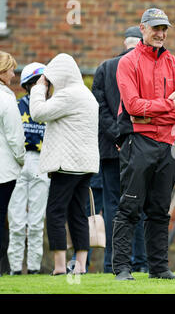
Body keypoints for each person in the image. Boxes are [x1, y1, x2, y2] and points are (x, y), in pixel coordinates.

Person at [112, 8, 175, 281]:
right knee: (130, 206)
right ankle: (122, 268)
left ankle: (159, 268)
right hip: (138, 141)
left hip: (167, 143)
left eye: (164, 29)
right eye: (156, 28)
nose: (161, 33)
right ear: (142, 28)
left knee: (159, 209)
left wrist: (153, 111)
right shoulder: (128, 62)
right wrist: (165, 105)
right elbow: (132, 106)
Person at [29, 53, 99, 275]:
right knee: (78, 214)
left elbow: (38, 113)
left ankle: (59, 266)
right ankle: (79, 265)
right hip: (85, 165)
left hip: (67, 165)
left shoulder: (68, 95)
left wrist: (39, 88)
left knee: (55, 212)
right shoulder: (86, 95)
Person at [91, 26, 148, 274]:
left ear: (125, 43)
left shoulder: (104, 68)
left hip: (110, 149)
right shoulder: (147, 67)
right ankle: (141, 262)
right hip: (139, 146)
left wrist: (116, 134)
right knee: (140, 205)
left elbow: (99, 108)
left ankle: (111, 263)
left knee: (113, 205)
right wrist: (127, 136)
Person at [7, 62, 50, 275]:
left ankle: (33, 267)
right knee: (16, 220)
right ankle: (15, 268)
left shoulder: (49, 108)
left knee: (36, 221)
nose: (42, 86)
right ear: (27, 85)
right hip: (17, 162)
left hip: (41, 163)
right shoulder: (16, 106)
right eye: (36, 83)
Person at [0, 52, 25, 276]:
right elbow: (16, 138)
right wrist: (22, 160)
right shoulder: (6, 99)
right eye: (11, 70)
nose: (13, 74)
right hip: (4, 171)